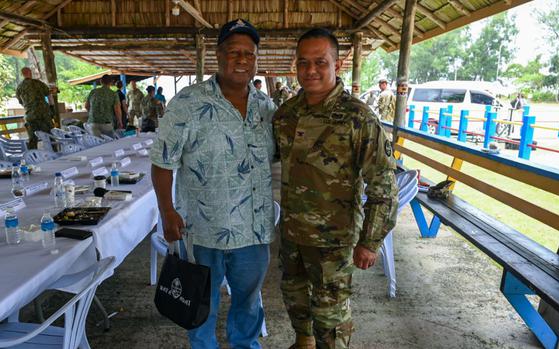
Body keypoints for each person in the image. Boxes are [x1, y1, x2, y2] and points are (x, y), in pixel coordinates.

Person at [150, 18, 276, 349]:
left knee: (249, 304)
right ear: (218, 56)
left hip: (253, 231)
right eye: (233, 52)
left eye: (249, 54)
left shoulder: (268, 109)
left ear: (256, 60)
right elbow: (162, 162)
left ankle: (245, 346)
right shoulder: (187, 104)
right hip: (204, 228)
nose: (242, 60)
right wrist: (167, 212)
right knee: (201, 303)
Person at [273, 28, 398, 349]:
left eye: (320, 62)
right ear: (295, 65)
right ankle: (303, 342)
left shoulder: (358, 118)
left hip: (334, 239)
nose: (311, 70)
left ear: (337, 64)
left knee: (330, 314)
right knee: (295, 299)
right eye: (303, 62)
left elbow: (383, 183)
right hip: (292, 233)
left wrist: (370, 241)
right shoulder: (286, 114)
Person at [15, 67, 55, 149]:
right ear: (30, 73)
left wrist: (30, 108)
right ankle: (55, 155)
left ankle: (33, 158)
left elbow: (21, 102)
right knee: (50, 136)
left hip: (30, 117)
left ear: (22, 74)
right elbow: (49, 95)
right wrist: (52, 107)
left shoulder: (19, 87)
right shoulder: (39, 83)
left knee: (32, 140)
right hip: (44, 115)